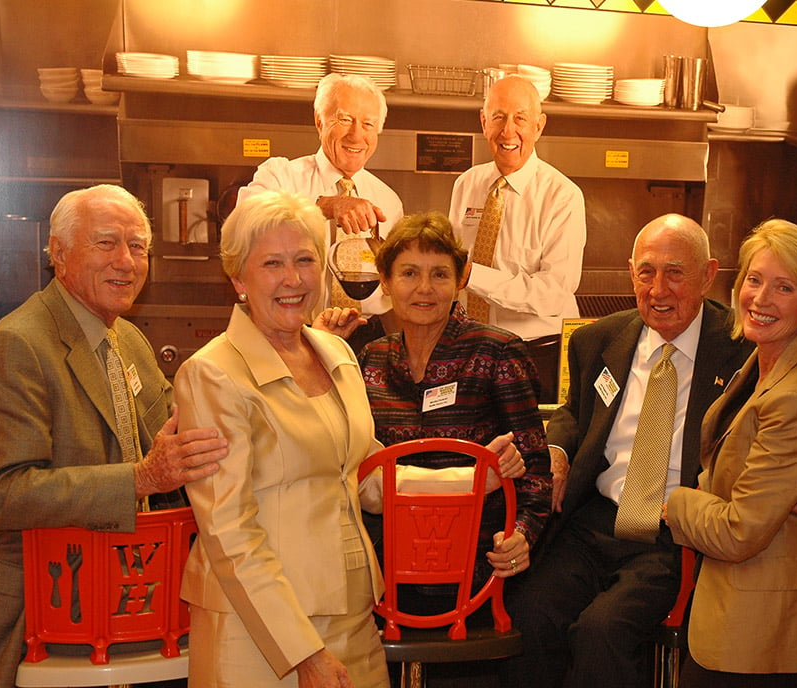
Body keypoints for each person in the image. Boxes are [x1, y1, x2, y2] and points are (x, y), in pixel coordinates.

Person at [174, 193, 525, 687]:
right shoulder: (212, 374)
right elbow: (229, 534)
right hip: (260, 633)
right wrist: (303, 654)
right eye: (272, 263)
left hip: (354, 614)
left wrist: (477, 477)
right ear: (238, 278)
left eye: (305, 260)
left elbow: (369, 478)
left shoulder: (336, 353)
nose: (292, 279)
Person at [499, 213, 797, 688]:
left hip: (677, 536)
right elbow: (573, 411)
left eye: (675, 273)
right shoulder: (597, 340)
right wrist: (558, 450)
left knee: (601, 633)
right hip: (594, 522)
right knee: (529, 614)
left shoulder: (749, 346)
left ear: (709, 276)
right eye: (645, 272)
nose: (657, 289)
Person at [0, 184, 229, 688]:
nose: (126, 261)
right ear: (59, 253)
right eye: (106, 243)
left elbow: (175, 433)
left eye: (138, 246)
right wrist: (140, 478)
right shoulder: (16, 344)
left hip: (130, 603)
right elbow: (3, 495)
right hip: (44, 615)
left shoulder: (128, 338)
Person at [663, 219, 797, 687]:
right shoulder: (766, 357)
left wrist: (674, 501)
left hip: (755, 632)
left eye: (784, 287)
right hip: (733, 613)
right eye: (754, 279)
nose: (760, 299)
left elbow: (738, 532)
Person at [350, 211, 552, 600]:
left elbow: (536, 470)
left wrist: (522, 536)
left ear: (460, 281)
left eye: (440, 274)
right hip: (383, 563)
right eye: (409, 273)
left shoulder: (497, 351)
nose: (424, 288)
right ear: (386, 281)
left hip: (476, 564)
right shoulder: (370, 358)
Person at [238, 72, 403, 349]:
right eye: (345, 119)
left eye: (368, 124)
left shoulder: (387, 200)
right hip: (288, 332)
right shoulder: (280, 176)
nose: (356, 135)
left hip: (369, 339)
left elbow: (392, 294)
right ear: (319, 121)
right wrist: (323, 206)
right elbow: (245, 227)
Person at [448, 74, 586, 402]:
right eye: (498, 117)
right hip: (470, 349)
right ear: (484, 122)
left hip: (536, 355)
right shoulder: (466, 185)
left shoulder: (562, 196)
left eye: (520, 118)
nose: (509, 131)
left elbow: (553, 294)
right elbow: (452, 268)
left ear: (539, 126)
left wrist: (472, 276)